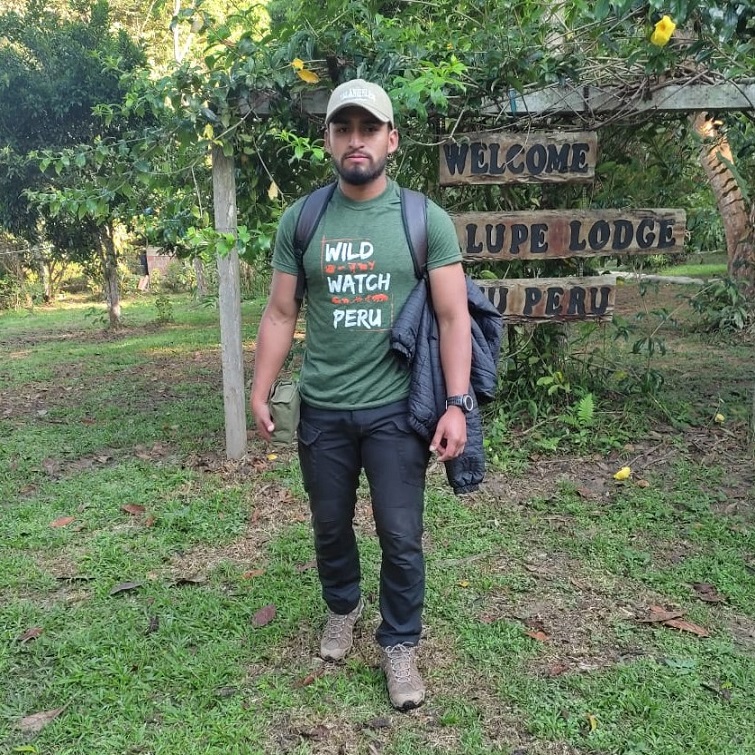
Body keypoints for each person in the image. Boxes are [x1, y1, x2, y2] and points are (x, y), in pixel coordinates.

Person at [250, 79, 472, 711]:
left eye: (368, 129)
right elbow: (279, 311)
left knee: (400, 535)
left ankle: (400, 645)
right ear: (328, 139)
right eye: (343, 128)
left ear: (391, 139)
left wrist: (457, 405)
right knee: (328, 525)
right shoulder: (304, 218)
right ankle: (342, 608)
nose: (356, 141)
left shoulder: (423, 219)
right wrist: (261, 389)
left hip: (397, 412)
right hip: (322, 408)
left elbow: (454, 318)